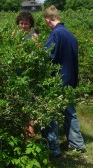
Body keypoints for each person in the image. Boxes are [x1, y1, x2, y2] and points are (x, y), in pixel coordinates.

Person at [42, 5, 86, 157]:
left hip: (57, 81)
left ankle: (53, 149)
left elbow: (47, 56)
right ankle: (78, 144)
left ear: (48, 20)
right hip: (69, 80)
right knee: (70, 112)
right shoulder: (70, 35)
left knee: (50, 114)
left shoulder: (56, 34)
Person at [16, 11, 40, 138]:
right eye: (21, 23)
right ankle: (21, 133)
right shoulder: (14, 35)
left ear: (30, 24)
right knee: (20, 104)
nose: (23, 25)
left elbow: (38, 53)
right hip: (17, 75)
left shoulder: (34, 36)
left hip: (30, 75)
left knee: (29, 104)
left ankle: (30, 134)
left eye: (26, 23)